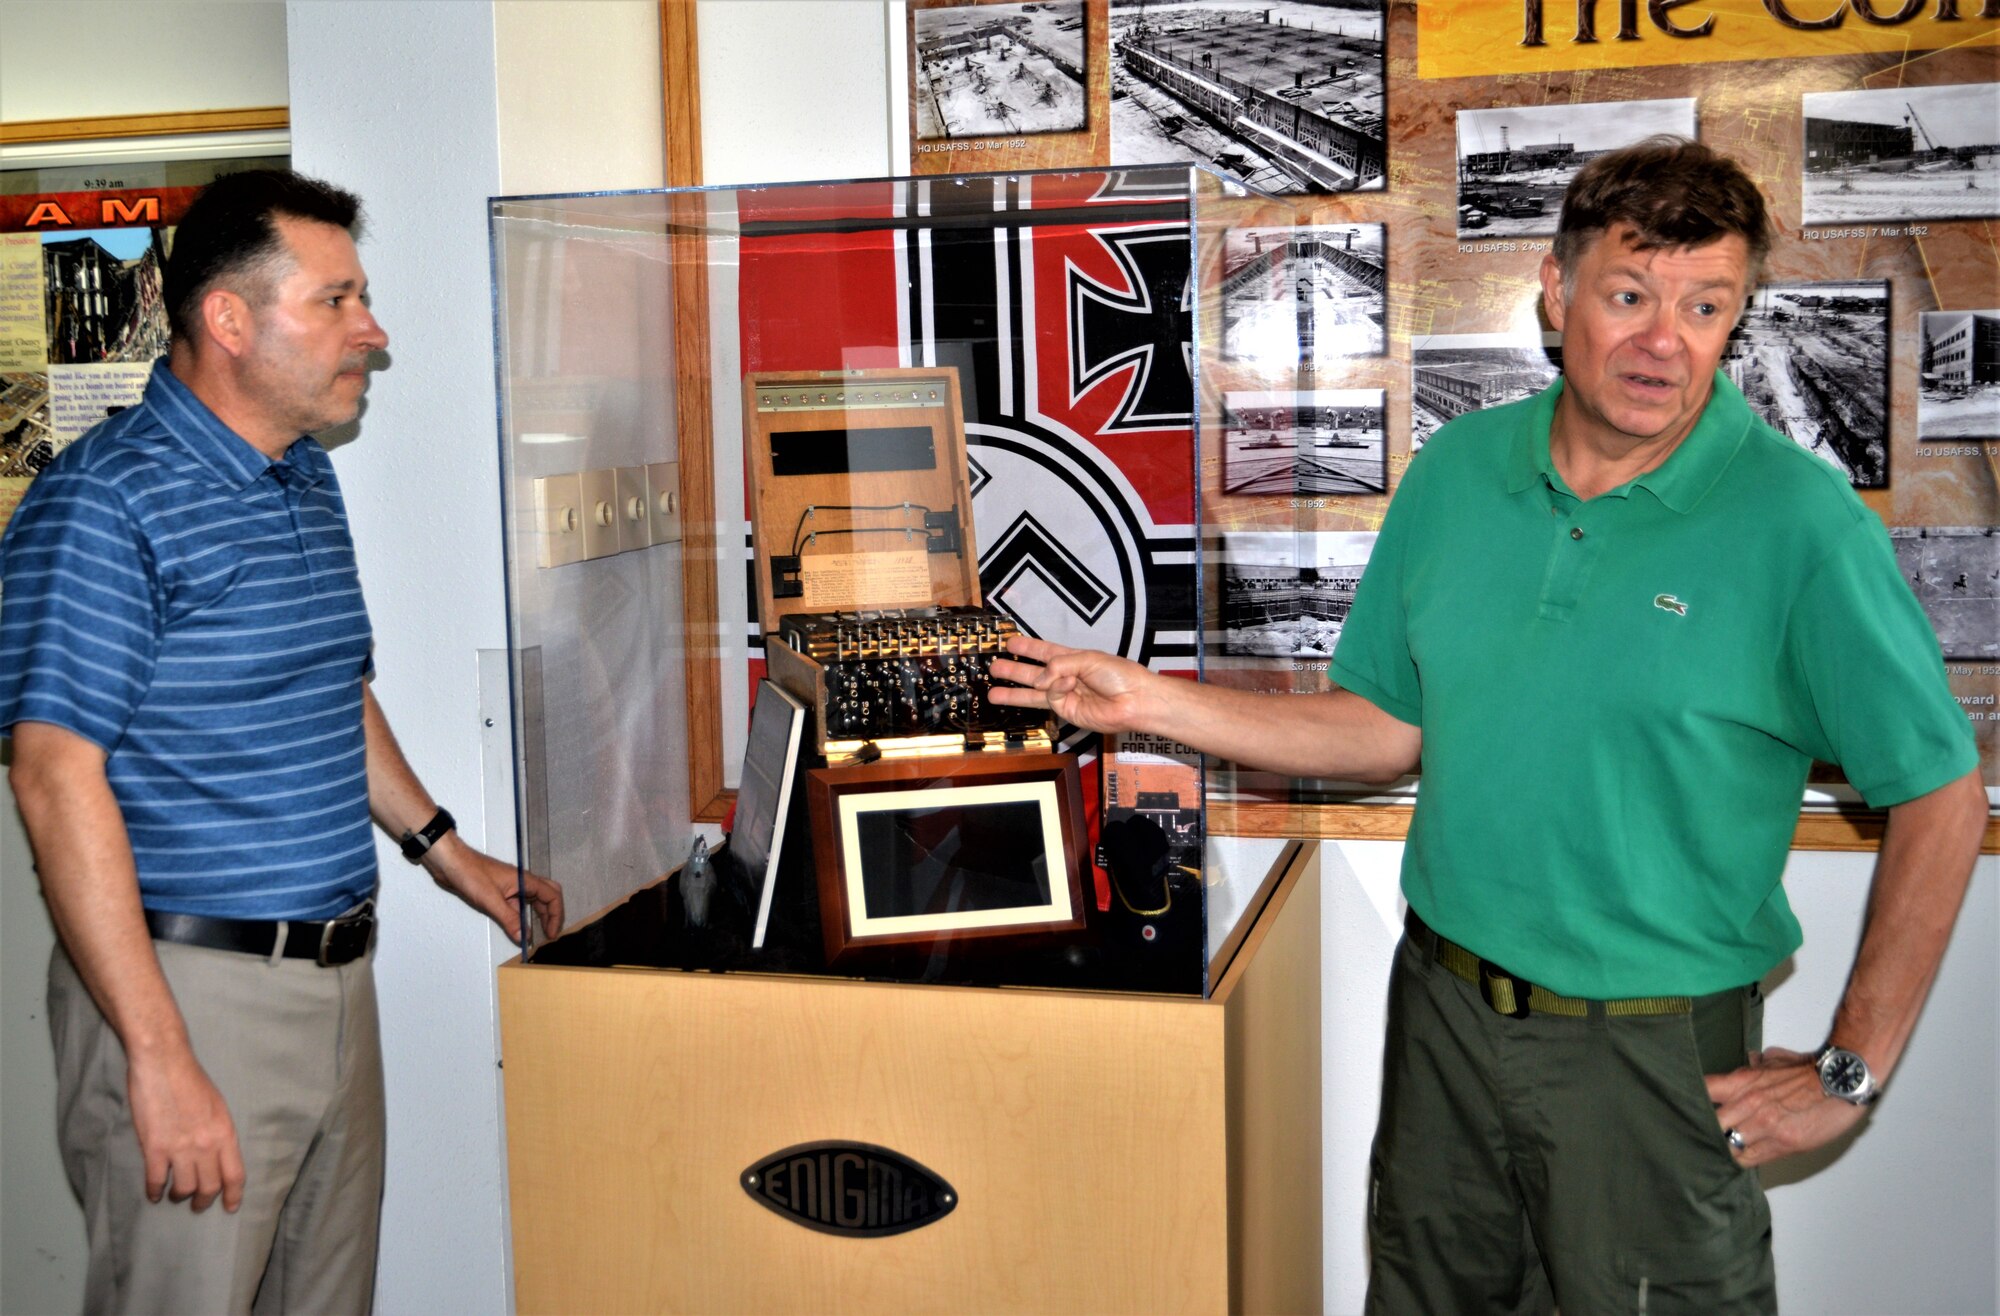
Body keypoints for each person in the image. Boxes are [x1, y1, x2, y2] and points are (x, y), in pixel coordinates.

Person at [992, 137, 1986, 1312]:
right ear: (1555, 295)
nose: (1662, 340)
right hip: (1445, 1020)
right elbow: (1381, 727)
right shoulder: (1458, 471)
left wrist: (1847, 1066)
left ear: (1733, 321)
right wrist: (1146, 699)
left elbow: (1938, 793)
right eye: (1627, 295)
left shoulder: (1799, 525)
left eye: (1703, 305)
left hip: (1653, 1057)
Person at [0, 169, 564, 1315]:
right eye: (337, 299)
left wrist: (450, 854)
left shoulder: (303, 473)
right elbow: (54, 777)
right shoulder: (102, 503)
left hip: (334, 988)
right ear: (228, 318)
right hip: (187, 997)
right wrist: (157, 1057)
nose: (373, 329)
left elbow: (331, 692)